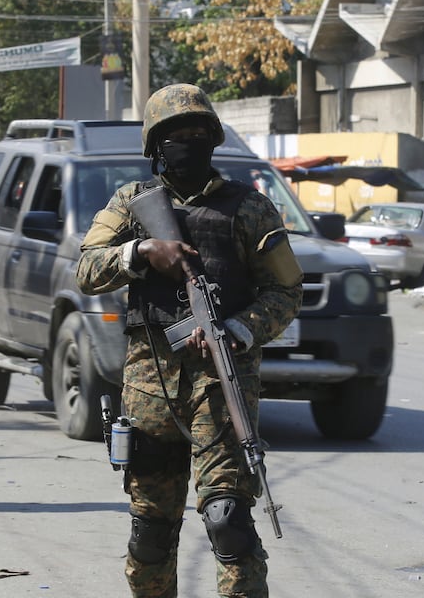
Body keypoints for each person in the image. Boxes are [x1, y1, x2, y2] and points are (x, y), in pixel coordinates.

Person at [76, 84, 303, 598]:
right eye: (176, 136)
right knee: (152, 532)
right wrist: (141, 252)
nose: (189, 143)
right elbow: (86, 269)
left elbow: (287, 290)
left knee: (229, 521)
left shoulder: (250, 208)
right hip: (149, 386)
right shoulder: (131, 204)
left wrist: (238, 329)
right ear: (155, 146)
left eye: (199, 134)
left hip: (222, 388)